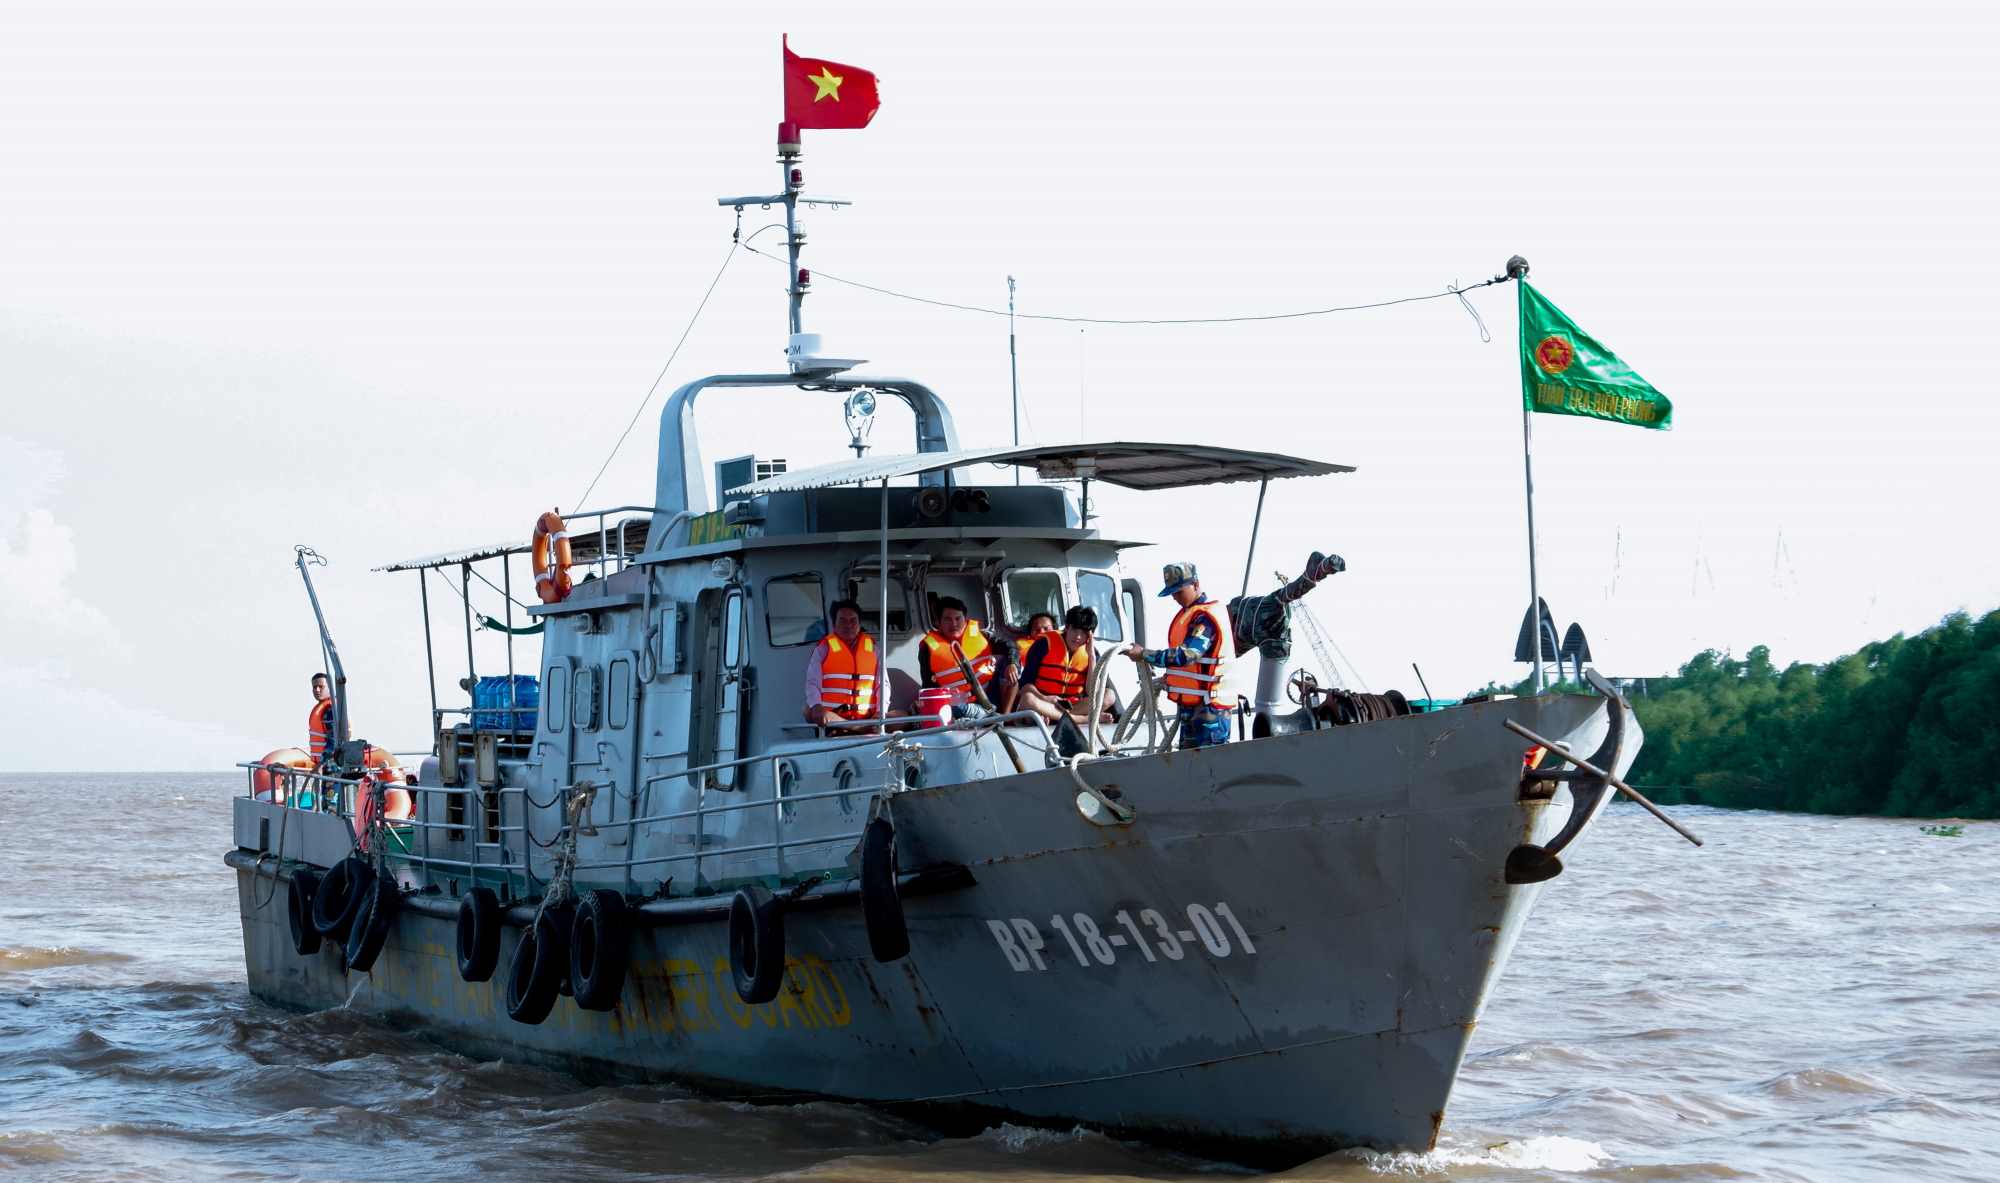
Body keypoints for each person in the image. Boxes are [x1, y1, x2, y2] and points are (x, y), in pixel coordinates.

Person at [1123, 562, 1234, 750]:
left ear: (1196, 585)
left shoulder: (1204, 619)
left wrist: (1144, 654)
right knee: (1189, 769)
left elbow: (1187, 655)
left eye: (1179, 591)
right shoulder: (1192, 615)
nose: (1175, 598)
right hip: (1193, 710)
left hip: (1209, 713)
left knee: (1208, 769)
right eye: (1172, 593)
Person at [1017, 605, 1114, 727]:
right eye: (1074, 630)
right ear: (1067, 627)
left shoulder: (1092, 653)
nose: (1078, 637)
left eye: (1084, 633)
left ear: (1090, 635)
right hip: (1044, 703)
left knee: (1109, 695)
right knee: (1028, 699)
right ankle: (1084, 719)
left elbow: (1092, 692)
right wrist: (1045, 698)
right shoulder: (1043, 644)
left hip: (1072, 707)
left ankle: (1060, 717)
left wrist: (1092, 657)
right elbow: (1025, 686)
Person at [918, 596, 1014, 710]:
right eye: (947, 619)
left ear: (965, 619)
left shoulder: (983, 636)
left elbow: (1010, 646)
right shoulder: (927, 648)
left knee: (1009, 669)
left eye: (958, 618)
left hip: (992, 697)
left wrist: (1012, 663)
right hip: (958, 706)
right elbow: (929, 686)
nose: (954, 624)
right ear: (938, 623)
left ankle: (1005, 718)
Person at [803, 599, 883, 730]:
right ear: (834, 624)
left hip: (869, 717)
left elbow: (882, 684)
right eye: (843, 620)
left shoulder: (874, 649)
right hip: (835, 718)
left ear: (859, 624)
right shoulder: (823, 648)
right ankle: (859, 728)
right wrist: (816, 706)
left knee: (901, 715)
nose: (848, 625)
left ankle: (864, 726)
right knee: (808, 710)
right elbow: (812, 682)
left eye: (853, 620)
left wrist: (880, 711)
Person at [306, 672, 337, 765]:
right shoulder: (321, 708)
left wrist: (320, 765)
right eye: (314, 687)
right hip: (321, 764)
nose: (317, 690)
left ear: (329, 687)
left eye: (321, 686)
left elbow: (333, 742)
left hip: (330, 766)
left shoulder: (331, 709)